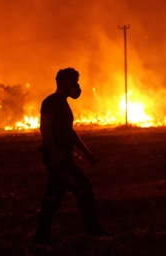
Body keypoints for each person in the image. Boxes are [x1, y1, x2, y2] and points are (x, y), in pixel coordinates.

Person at [34, 68, 110, 244]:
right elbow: (44, 128)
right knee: (84, 188)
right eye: (74, 82)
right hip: (59, 159)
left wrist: (87, 152)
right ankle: (93, 230)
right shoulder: (51, 102)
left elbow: (70, 132)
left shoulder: (63, 104)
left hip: (62, 156)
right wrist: (54, 151)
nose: (77, 86)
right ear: (63, 83)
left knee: (53, 196)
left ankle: (41, 236)